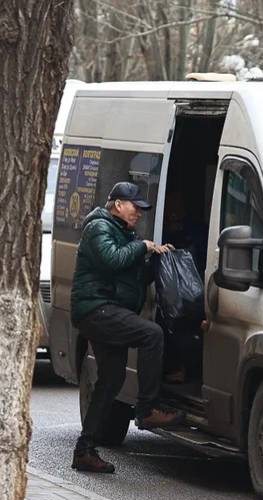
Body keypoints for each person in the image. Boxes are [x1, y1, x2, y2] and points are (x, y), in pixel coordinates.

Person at [70, 182, 184, 474]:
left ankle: (84, 450)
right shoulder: (99, 227)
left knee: (111, 379)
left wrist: (156, 261)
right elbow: (112, 260)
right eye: (135, 207)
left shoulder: (122, 232)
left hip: (110, 310)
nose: (139, 214)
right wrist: (141, 247)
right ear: (118, 204)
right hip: (97, 309)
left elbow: (129, 275)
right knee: (151, 334)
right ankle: (146, 410)